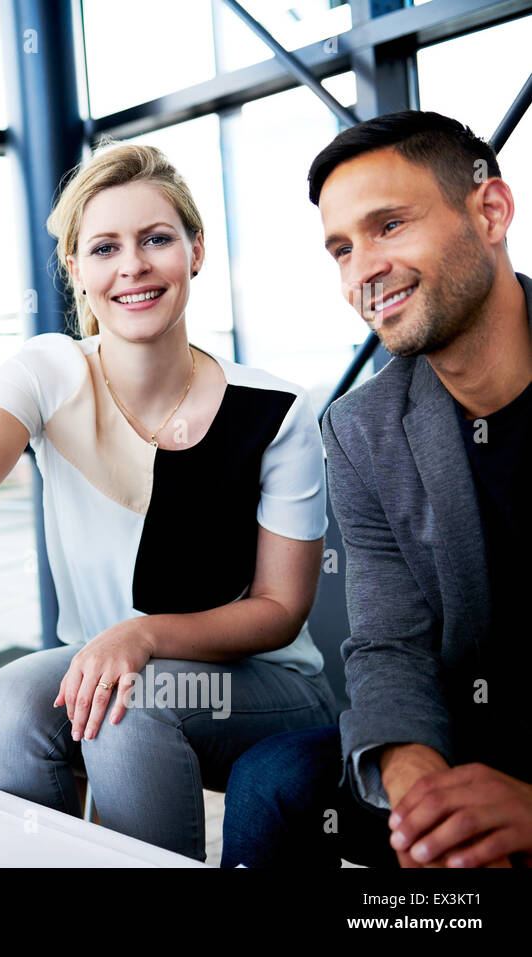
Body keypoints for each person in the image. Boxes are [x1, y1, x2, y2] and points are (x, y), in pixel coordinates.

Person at [0, 142, 336, 861]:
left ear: (195, 251)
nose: (132, 265)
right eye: (104, 247)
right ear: (77, 270)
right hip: (106, 665)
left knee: (122, 703)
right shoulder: (50, 369)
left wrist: (142, 636)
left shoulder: (275, 408)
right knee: (4, 708)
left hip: (266, 686)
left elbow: (280, 610)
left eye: (157, 239)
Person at [222, 110, 532, 869]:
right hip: (472, 740)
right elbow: (390, 644)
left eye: (388, 226)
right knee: (273, 778)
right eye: (341, 248)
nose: (361, 268)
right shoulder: (363, 428)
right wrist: (409, 768)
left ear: (490, 211)